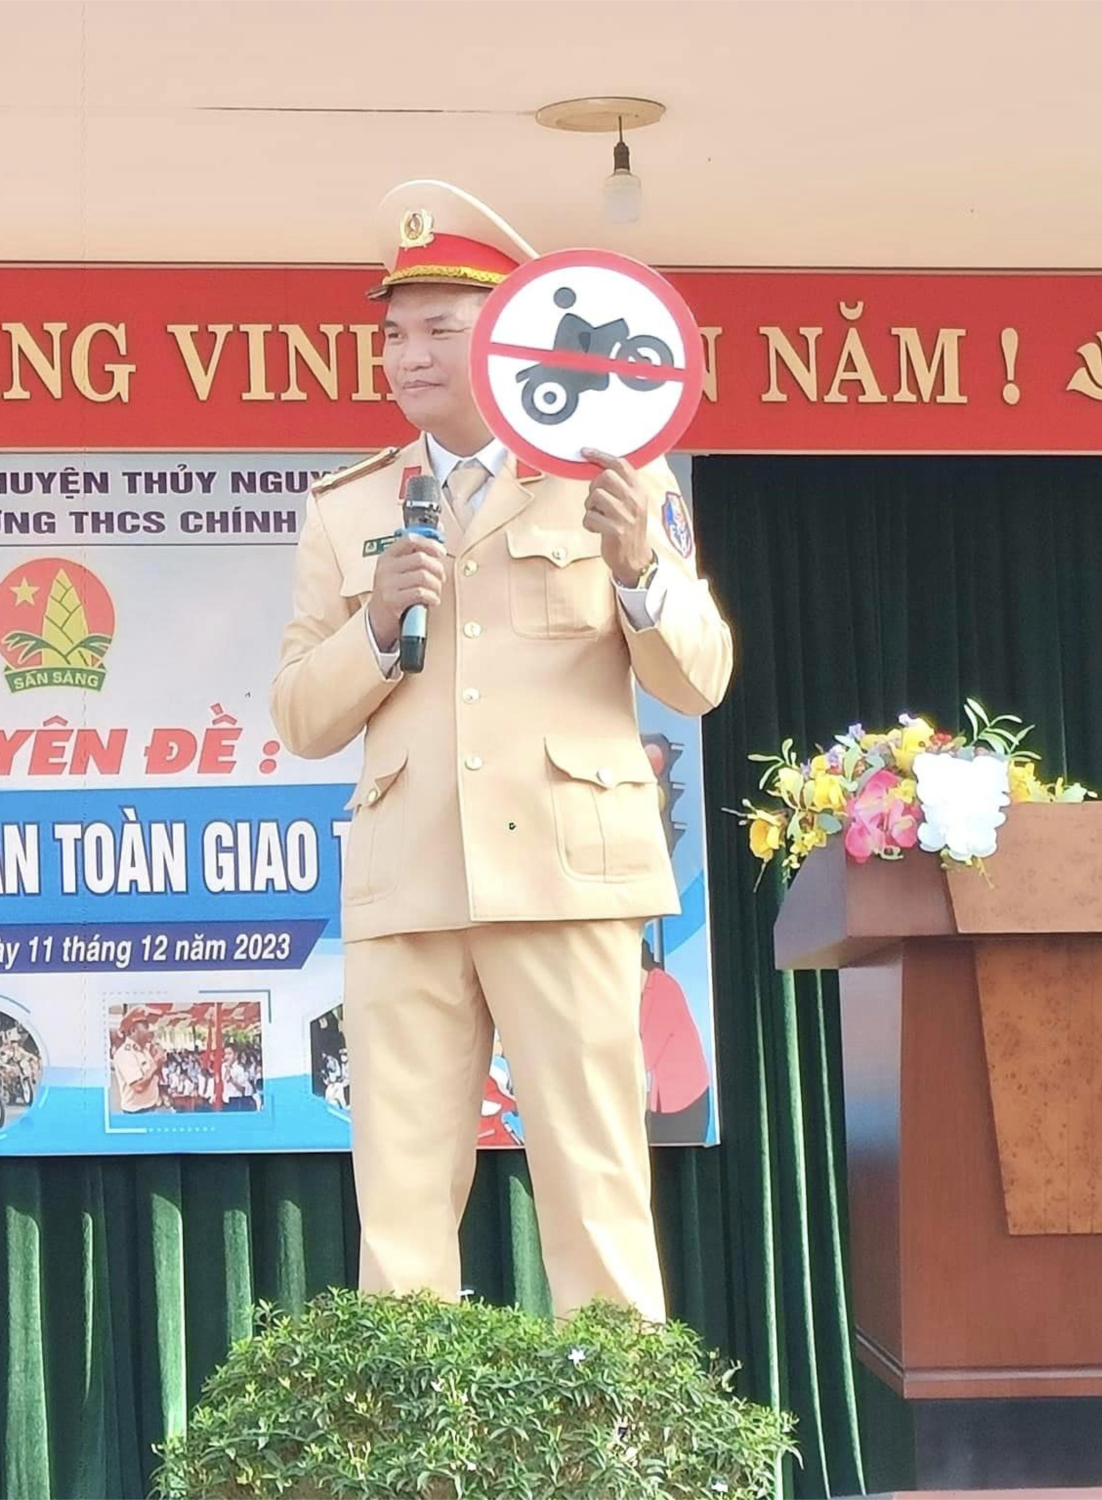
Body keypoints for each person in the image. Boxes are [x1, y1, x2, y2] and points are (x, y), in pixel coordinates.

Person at [269, 180, 732, 1321]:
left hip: (566, 875)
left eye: (439, 329)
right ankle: (403, 1427)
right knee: (400, 1198)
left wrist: (638, 568)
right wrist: (376, 623)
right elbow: (300, 716)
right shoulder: (347, 507)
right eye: (393, 335)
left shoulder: (612, 477)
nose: (408, 356)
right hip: (410, 881)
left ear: (512, 342)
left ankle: (620, 1420)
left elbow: (699, 678)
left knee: (594, 1181)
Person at [639, 939, 712, 1144]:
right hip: (664, 1098)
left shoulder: (663, 988)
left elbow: (646, 1057)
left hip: (686, 1101)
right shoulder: (644, 991)